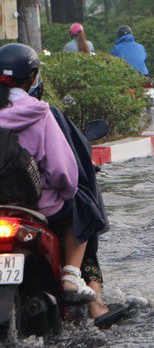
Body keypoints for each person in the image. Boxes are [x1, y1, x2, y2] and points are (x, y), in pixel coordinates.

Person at [28, 75, 128, 328]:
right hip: (42, 208)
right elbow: (64, 170)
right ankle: (95, 305)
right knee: (84, 211)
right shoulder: (45, 114)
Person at [0, 43, 96, 302]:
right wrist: (67, 192)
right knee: (81, 202)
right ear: (32, 77)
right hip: (37, 207)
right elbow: (63, 173)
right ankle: (71, 276)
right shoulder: (39, 112)